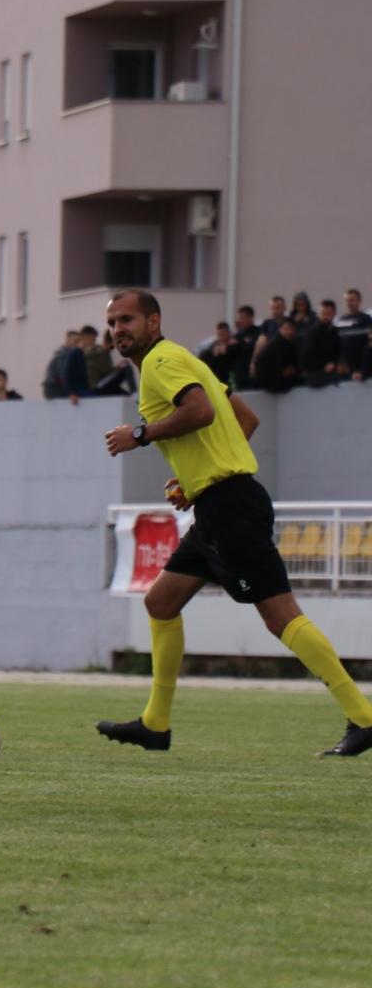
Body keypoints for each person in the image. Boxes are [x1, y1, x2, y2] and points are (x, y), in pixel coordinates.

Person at [94, 288, 372, 757]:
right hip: (219, 504)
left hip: (231, 508)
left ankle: (364, 717)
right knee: (161, 601)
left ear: (154, 322)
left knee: (280, 616)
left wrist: (139, 434)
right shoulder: (182, 360)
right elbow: (245, 418)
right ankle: (155, 725)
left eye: (127, 320)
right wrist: (198, 477)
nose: (118, 330)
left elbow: (200, 411)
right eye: (112, 323)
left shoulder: (162, 363)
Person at [251, 318, 302, 394]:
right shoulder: (273, 346)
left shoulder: (293, 343)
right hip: (272, 383)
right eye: (286, 329)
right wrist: (281, 372)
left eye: (292, 329)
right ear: (280, 329)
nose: (289, 332)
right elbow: (262, 366)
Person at [300, 299, 341, 387]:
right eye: (322, 314)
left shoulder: (334, 331)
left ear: (334, 314)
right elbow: (307, 355)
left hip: (329, 369)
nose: (325, 317)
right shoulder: (313, 332)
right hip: (315, 373)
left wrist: (335, 363)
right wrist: (324, 365)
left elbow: (337, 352)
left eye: (328, 314)